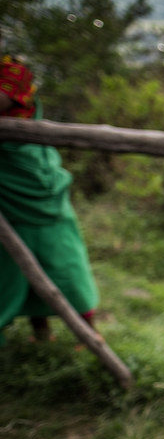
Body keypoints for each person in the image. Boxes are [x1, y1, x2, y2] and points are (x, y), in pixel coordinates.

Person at [0, 54, 99, 345]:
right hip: (4, 183)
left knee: (59, 256)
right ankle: (41, 334)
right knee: (7, 257)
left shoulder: (12, 72)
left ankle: (90, 337)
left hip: (29, 177)